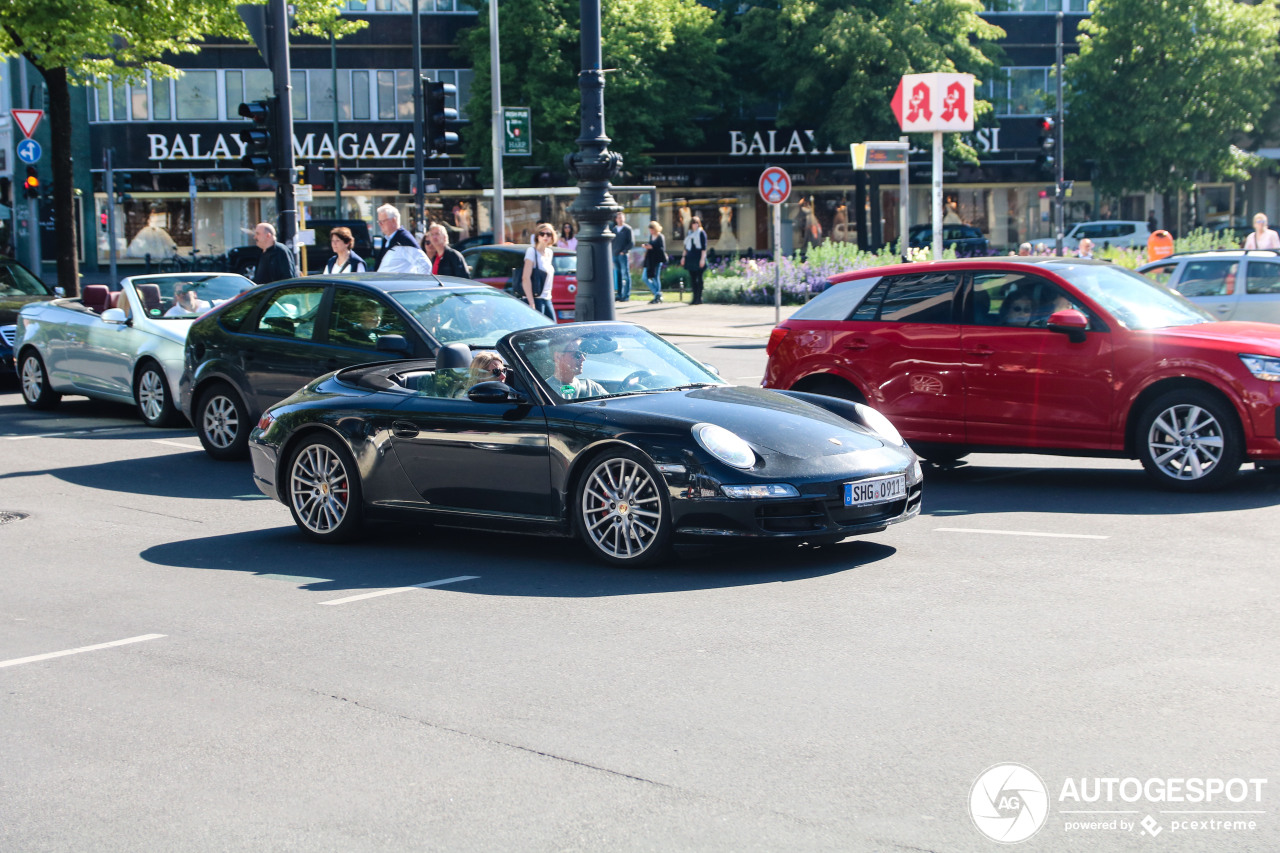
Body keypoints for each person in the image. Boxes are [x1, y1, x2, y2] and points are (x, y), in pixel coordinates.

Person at [375, 204, 430, 273]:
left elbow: (425, 265)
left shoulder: (403, 240)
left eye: (383, 221)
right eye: (379, 222)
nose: (380, 224)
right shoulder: (387, 240)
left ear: (394, 221)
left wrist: (417, 283)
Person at [522, 223, 557, 321]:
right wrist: (531, 302)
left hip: (547, 298)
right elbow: (525, 278)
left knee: (553, 328)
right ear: (537, 236)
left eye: (548, 234)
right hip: (535, 299)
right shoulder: (532, 251)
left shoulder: (549, 253)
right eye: (542, 234)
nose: (545, 236)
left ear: (552, 237)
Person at [683, 215, 709, 305]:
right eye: (693, 223)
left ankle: (699, 298)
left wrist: (702, 259)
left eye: (697, 223)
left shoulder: (701, 233)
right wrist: (683, 257)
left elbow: (704, 248)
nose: (695, 225)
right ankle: (694, 298)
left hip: (699, 257)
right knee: (693, 279)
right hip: (690, 257)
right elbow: (686, 246)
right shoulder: (689, 233)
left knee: (699, 278)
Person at [612, 211, 634, 302]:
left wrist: (624, 251)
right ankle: (619, 294)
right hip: (615, 255)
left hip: (623, 255)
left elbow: (631, 242)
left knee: (625, 275)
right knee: (618, 275)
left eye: (621, 217)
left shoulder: (627, 229)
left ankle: (626, 295)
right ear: (616, 219)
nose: (620, 219)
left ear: (624, 218)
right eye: (618, 218)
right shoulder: (613, 230)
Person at [643, 221, 666, 304]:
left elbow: (662, 249)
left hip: (657, 259)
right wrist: (647, 246)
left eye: (652, 230)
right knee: (645, 277)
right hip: (650, 260)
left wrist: (652, 247)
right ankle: (657, 293)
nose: (651, 232)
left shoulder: (660, 237)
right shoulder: (651, 236)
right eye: (650, 230)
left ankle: (657, 295)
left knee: (655, 277)